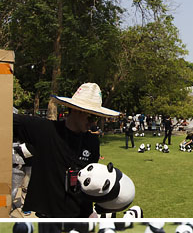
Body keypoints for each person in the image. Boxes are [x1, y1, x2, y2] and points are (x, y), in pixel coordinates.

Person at [12, 82, 120, 217]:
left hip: (80, 216)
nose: (93, 123)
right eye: (91, 117)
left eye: (96, 117)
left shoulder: (92, 142)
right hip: (48, 216)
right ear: (76, 110)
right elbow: (8, 120)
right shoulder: (44, 130)